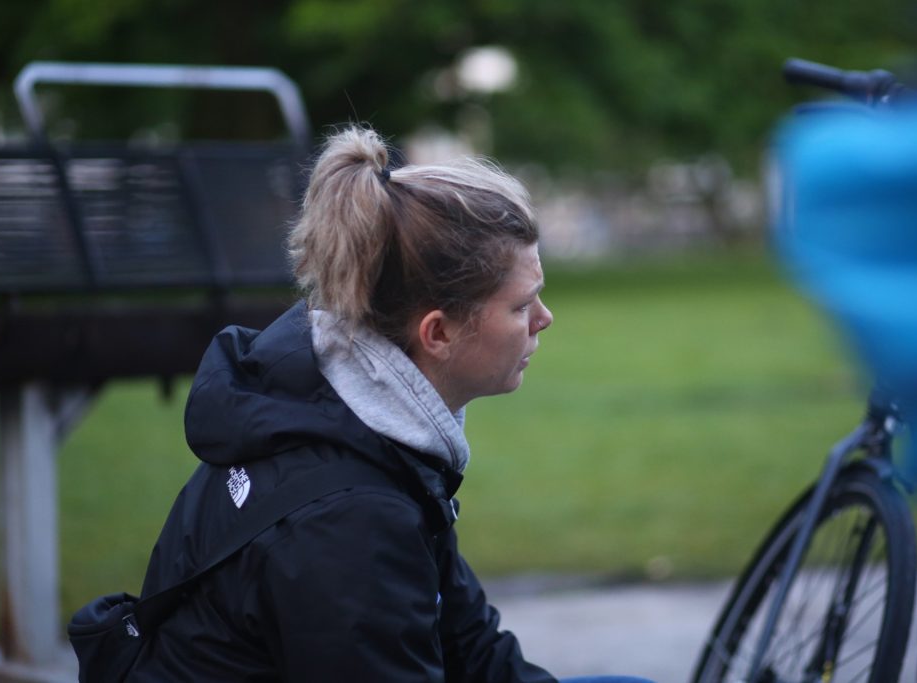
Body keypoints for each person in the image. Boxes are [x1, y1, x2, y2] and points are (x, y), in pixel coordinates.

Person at [128, 126, 654, 683]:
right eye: (522, 305)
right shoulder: (352, 519)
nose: (544, 319)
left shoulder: (364, 424)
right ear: (438, 334)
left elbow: (469, 645)